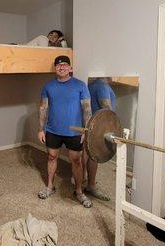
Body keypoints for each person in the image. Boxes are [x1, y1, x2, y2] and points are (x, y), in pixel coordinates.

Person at [37, 55, 93, 208]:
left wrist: (85, 131)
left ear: (70, 68)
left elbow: (87, 109)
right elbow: (43, 108)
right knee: (52, 157)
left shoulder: (80, 85)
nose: (61, 67)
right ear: (55, 68)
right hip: (53, 130)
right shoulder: (48, 86)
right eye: (58, 65)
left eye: (65, 65)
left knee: (76, 160)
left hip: (74, 132)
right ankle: (50, 187)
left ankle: (79, 191)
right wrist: (41, 129)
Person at [84, 77, 116, 201]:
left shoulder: (92, 85)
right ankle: (89, 186)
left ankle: (83, 184)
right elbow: (107, 109)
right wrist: (113, 128)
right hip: (97, 128)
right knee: (92, 157)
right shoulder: (102, 86)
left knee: (88, 155)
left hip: (91, 126)